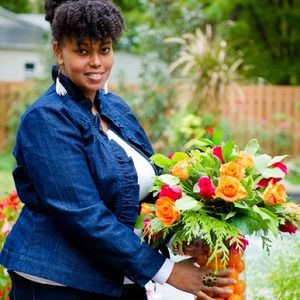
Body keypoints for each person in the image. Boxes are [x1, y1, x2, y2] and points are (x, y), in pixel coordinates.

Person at [0, 1, 236, 299]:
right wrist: (168, 271)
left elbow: (153, 191)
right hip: (60, 285)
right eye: (83, 51)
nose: (96, 61)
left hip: (120, 279)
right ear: (59, 51)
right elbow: (83, 215)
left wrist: (182, 238)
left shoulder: (116, 108)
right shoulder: (47, 119)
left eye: (105, 49)